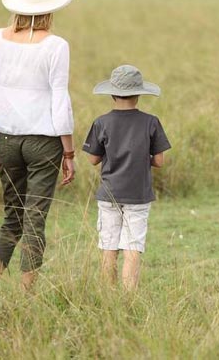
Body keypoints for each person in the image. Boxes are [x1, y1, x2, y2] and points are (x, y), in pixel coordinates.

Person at [0, 0, 76, 291]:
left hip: (6, 136)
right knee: (35, 218)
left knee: (12, 217)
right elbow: (59, 97)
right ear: (50, 8)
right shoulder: (56, 45)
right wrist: (69, 150)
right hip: (44, 141)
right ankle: (27, 296)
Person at [82, 65, 171, 291]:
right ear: (139, 94)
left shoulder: (101, 122)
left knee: (108, 246)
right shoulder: (151, 122)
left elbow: (93, 159)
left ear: (112, 93)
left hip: (109, 193)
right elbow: (159, 161)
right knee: (133, 246)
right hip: (138, 195)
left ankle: (108, 297)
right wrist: (143, 157)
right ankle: (129, 297)